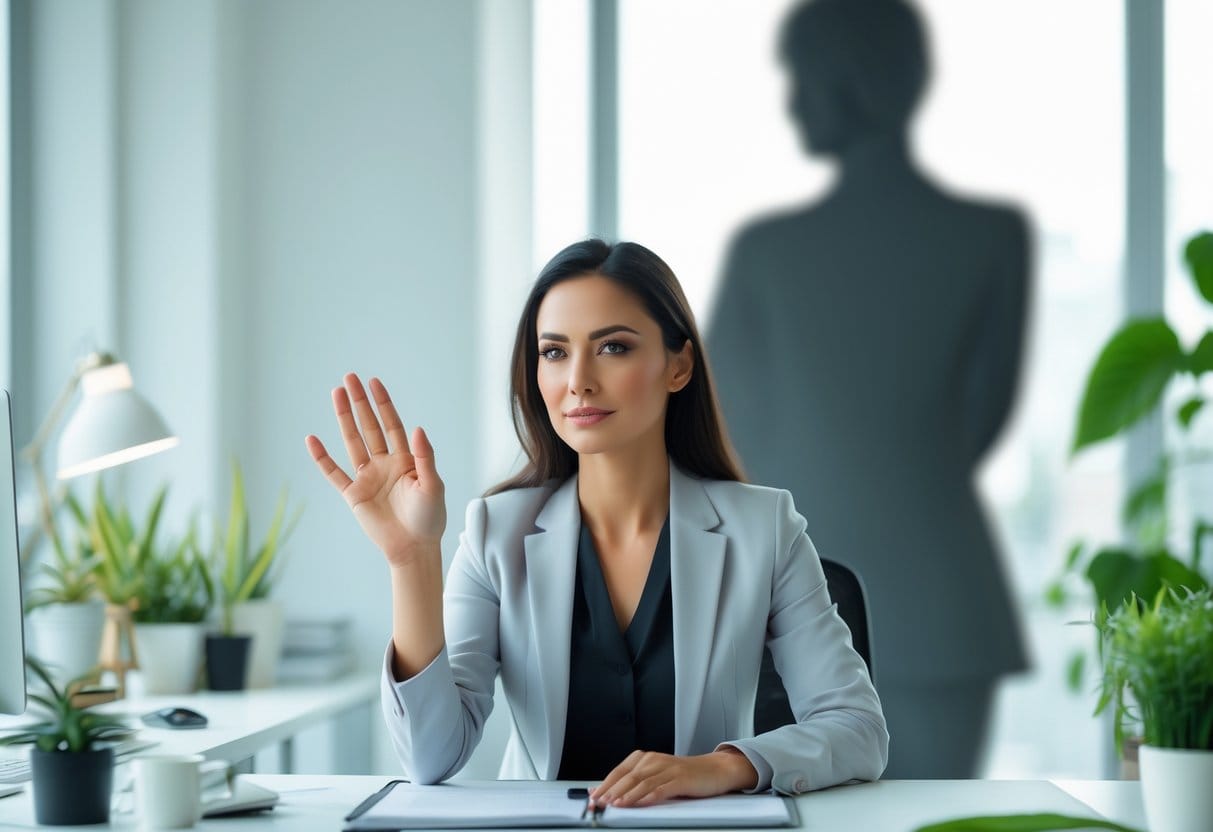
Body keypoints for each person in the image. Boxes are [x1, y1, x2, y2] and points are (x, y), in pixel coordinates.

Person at [306, 240, 887, 804]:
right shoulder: (494, 533)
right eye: (555, 352)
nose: (578, 380)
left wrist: (721, 767)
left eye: (613, 348)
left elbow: (858, 728)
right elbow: (430, 758)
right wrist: (411, 560)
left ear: (678, 365)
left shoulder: (766, 528)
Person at [707, 0, 1029, 779]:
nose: (791, 99)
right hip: (938, 597)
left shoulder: (767, 254)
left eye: (801, 76)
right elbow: (976, 419)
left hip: (788, 596)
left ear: (849, 78)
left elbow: (728, 429)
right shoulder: (989, 237)